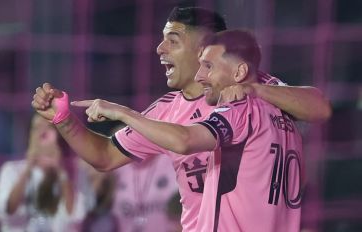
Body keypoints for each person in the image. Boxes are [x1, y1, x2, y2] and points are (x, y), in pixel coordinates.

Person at [31, 7, 330, 231]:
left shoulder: (252, 95)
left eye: (172, 40)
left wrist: (253, 88)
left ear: (205, 47)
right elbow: (105, 156)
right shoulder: (166, 111)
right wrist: (64, 119)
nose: (159, 49)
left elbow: (318, 106)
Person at [77, 29, 304, 232]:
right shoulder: (285, 112)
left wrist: (124, 113)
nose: (199, 75)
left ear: (238, 72)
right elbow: (320, 106)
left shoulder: (238, 108)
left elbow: (185, 140)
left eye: (208, 66)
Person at [0, 114, 94, 232]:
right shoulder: (11, 170)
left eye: (49, 127)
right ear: (30, 136)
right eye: (37, 128)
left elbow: (75, 216)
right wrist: (29, 167)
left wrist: (60, 170)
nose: (42, 133)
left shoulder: (76, 173)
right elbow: (8, 211)